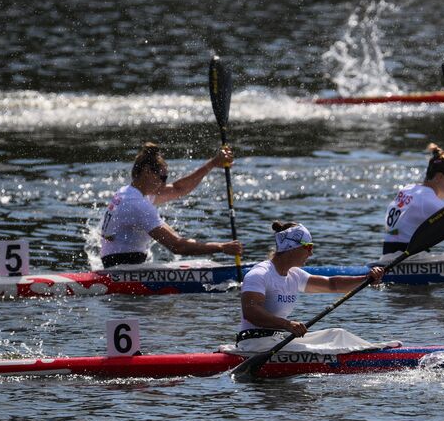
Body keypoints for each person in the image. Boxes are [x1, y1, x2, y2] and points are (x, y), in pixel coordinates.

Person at [98, 142, 243, 268]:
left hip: (119, 264)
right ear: (147, 172)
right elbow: (177, 246)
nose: (164, 183)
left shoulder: (128, 192)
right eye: (163, 177)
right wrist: (221, 247)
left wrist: (212, 164)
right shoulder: (137, 204)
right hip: (122, 269)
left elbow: (179, 188)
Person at [236, 221, 384, 343]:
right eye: (308, 247)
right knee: (336, 339)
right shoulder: (259, 274)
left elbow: (331, 284)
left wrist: (366, 279)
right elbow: (251, 312)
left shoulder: (294, 275)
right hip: (253, 343)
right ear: (291, 247)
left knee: (337, 334)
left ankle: (374, 350)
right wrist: (287, 325)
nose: (311, 253)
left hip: (275, 340)